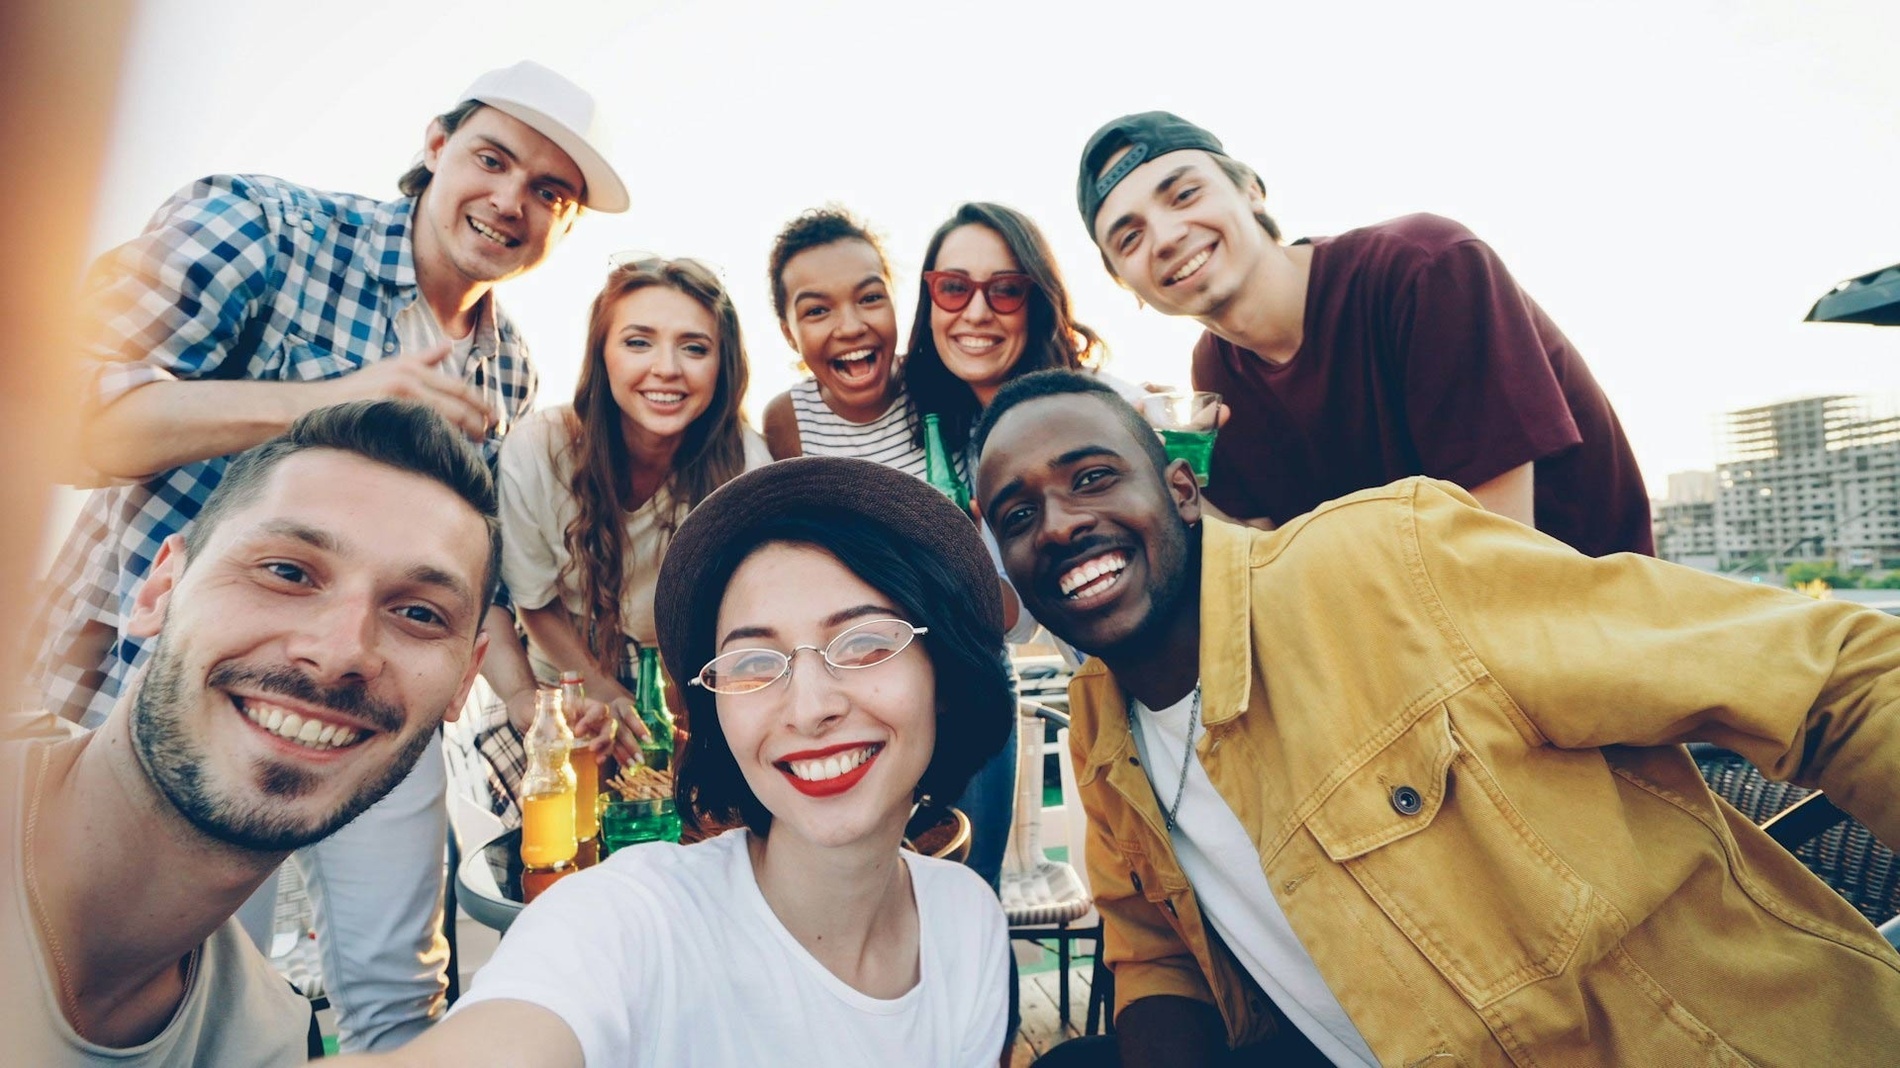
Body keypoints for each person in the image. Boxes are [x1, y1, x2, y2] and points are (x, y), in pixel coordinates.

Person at [972, 370, 1900, 1067]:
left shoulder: (1387, 564)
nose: (1056, 525)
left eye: (1092, 478)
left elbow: (1832, 678)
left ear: (1179, 489)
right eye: (1018, 514)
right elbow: (1153, 952)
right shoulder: (1101, 731)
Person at [23, 60, 629, 1050]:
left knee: (400, 991)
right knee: (180, 987)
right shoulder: (263, 228)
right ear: (434, 148)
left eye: (550, 192)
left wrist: (537, 708)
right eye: (493, 158)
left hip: (379, 709)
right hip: (176, 691)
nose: (511, 200)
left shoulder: (508, 363)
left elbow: (479, 581)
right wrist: (344, 401)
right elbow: (61, 418)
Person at [348, 456, 1016, 1067]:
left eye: (866, 643)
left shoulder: (966, 924)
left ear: (945, 679)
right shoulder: (629, 921)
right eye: (754, 663)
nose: (809, 707)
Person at [3, 400, 503, 1067]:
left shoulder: (269, 1039)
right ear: (158, 590)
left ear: (465, 682)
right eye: (287, 572)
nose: (339, 651)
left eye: (418, 612)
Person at [1075, 112, 1652, 557]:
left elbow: (1497, 551)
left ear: (1249, 189)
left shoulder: (1424, 267)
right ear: (1125, 283)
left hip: (1590, 635)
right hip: (1427, 654)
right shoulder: (1219, 373)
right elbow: (1271, 550)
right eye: (1129, 238)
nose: (1168, 236)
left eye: (1184, 194)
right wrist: (1165, 479)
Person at [494, 256, 772, 796]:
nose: (667, 368)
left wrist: (683, 713)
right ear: (602, 355)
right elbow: (533, 601)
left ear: (723, 367)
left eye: (694, 347)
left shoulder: (746, 464)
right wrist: (600, 690)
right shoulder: (538, 449)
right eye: (638, 342)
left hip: (686, 675)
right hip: (567, 663)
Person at [904, 201, 1128, 487]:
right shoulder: (950, 416)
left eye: (1006, 290)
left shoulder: (1105, 412)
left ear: (1037, 306)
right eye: (954, 287)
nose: (977, 314)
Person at [760, 208, 923, 473]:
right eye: (817, 311)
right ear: (789, 334)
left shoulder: (937, 383)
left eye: (870, 298)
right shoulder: (789, 419)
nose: (850, 328)